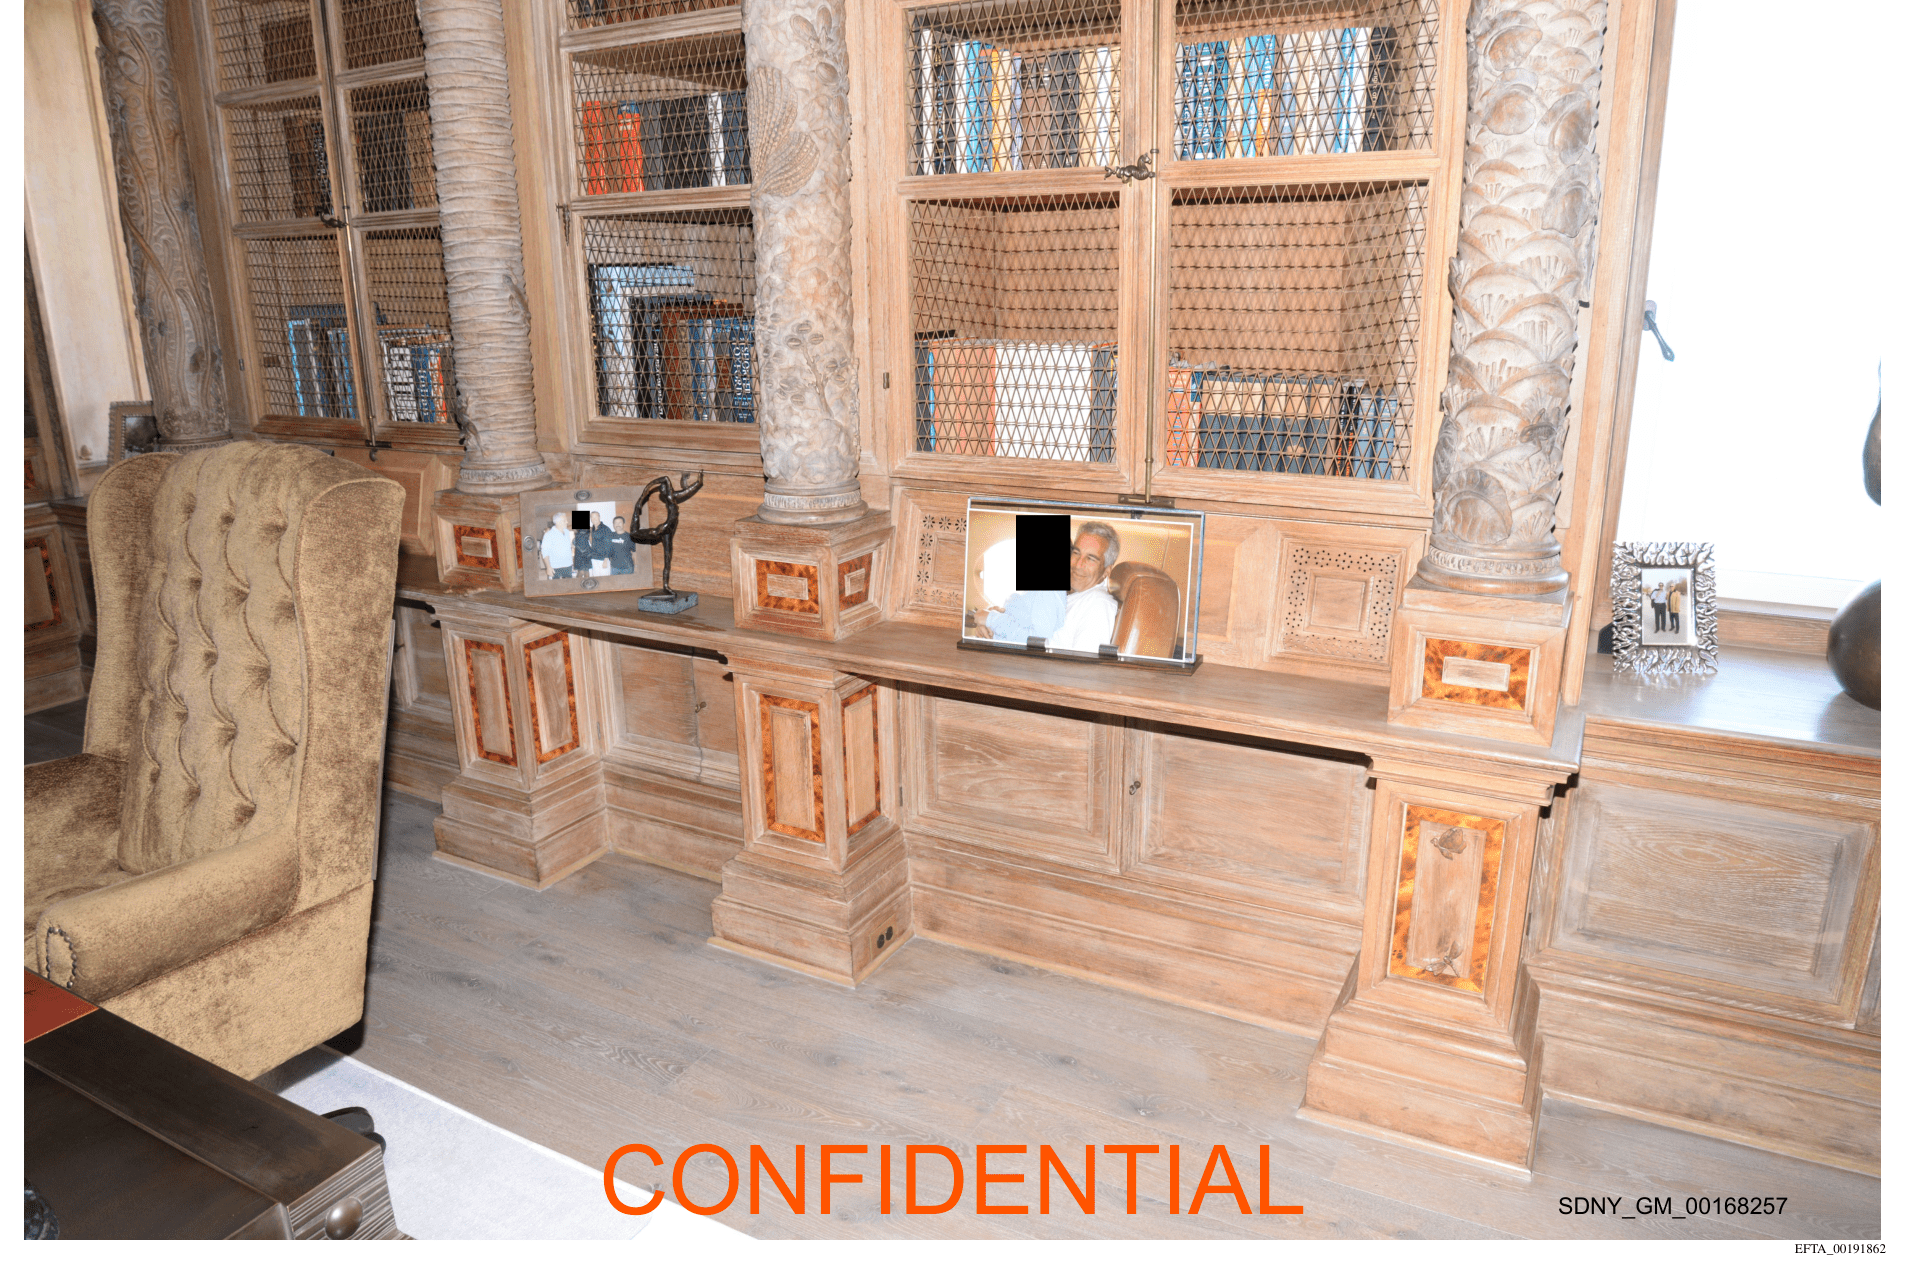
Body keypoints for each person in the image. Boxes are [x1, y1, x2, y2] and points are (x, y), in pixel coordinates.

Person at [968, 539, 1066, 644]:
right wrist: (988, 624)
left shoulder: (1048, 592)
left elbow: (1038, 641)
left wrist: (991, 619)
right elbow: (1020, 625)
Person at [1047, 521, 1123, 654]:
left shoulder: (1098, 604)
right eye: (1076, 553)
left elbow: (1083, 664)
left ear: (1106, 571)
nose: (1078, 564)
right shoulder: (1072, 596)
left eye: (1091, 559)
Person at [539, 512, 577, 580]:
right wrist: (548, 567)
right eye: (565, 520)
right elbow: (545, 552)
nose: (567, 522)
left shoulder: (567, 532)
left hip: (568, 565)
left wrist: (571, 545)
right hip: (556, 567)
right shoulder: (549, 535)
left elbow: (565, 544)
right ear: (558, 522)